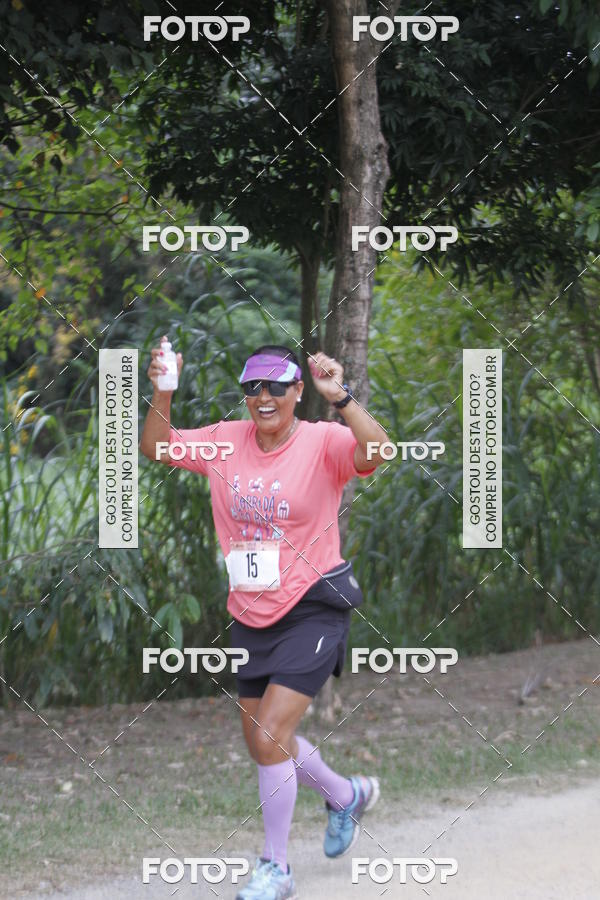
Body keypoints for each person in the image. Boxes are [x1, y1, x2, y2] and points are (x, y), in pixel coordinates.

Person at [140, 337, 389, 900]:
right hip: (251, 611)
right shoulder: (226, 442)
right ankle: (345, 795)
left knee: (272, 734)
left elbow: (379, 452)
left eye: (277, 385)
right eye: (253, 387)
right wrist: (163, 390)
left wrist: (342, 398)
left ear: (298, 390)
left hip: (314, 605)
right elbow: (156, 447)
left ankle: (275, 868)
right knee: (262, 741)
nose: (264, 396)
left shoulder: (324, 440)